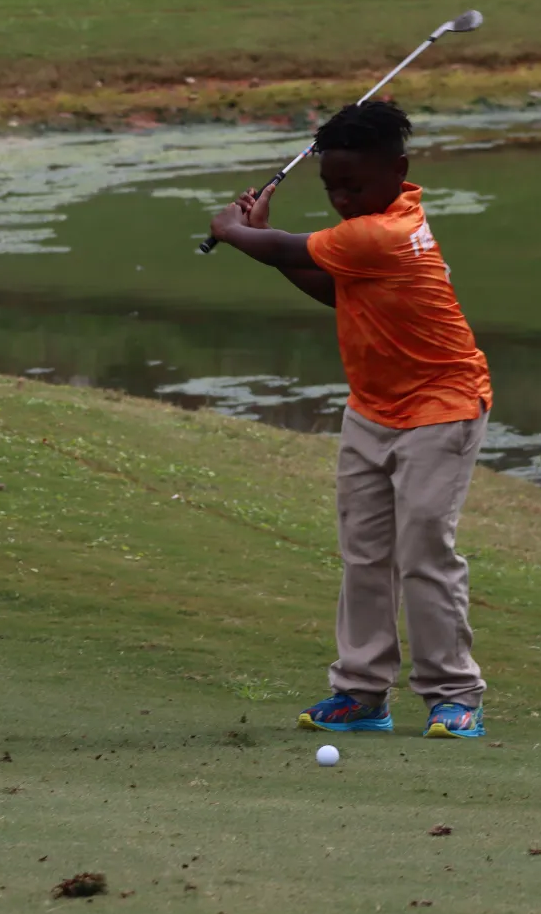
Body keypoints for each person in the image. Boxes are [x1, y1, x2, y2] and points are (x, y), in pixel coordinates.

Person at [206, 100, 493, 739]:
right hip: (372, 407)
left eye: (354, 185)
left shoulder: (384, 232)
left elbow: (279, 245)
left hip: (440, 406)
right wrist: (258, 241)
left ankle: (454, 694)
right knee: (365, 553)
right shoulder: (370, 226)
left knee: (423, 549)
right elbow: (334, 287)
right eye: (331, 186)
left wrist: (233, 228)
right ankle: (362, 692)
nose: (340, 198)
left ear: (399, 170)